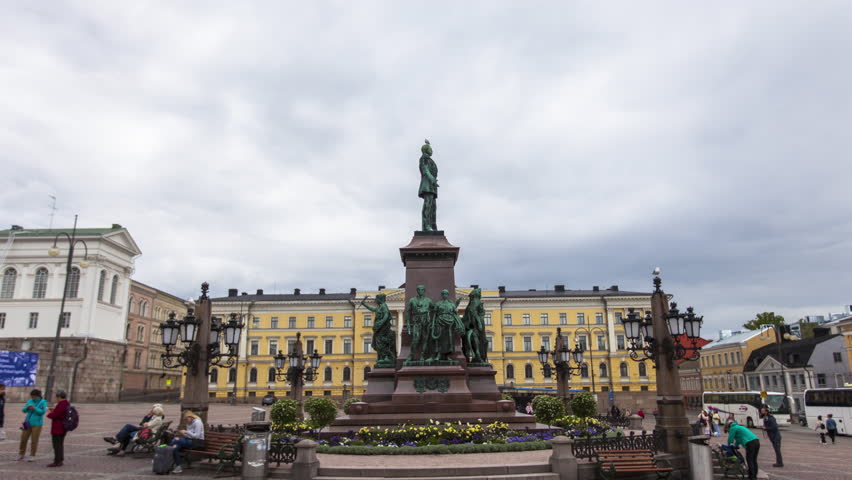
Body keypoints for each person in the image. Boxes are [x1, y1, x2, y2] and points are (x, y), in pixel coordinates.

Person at [18, 388, 47, 462]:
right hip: (27, 423)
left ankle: (32, 455)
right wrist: (27, 408)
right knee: (23, 439)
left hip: (37, 424)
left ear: (38, 396)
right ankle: (21, 454)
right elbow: (23, 410)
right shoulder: (30, 401)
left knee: (34, 440)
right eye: (32, 396)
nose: (33, 398)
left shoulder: (43, 402)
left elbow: (42, 412)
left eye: (34, 396)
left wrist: (34, 408)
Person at [45, 390, 69, 467]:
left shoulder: (61, 404)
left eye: (57, 397)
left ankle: (57, 461)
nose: (56, 399)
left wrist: (50, 414)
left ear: (59, 397)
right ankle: (60, 459)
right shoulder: (67, 403)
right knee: (60, 444)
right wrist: (54, 411)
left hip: (58, 428)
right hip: (63, 427)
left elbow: (55, 415)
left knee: (57, 445)